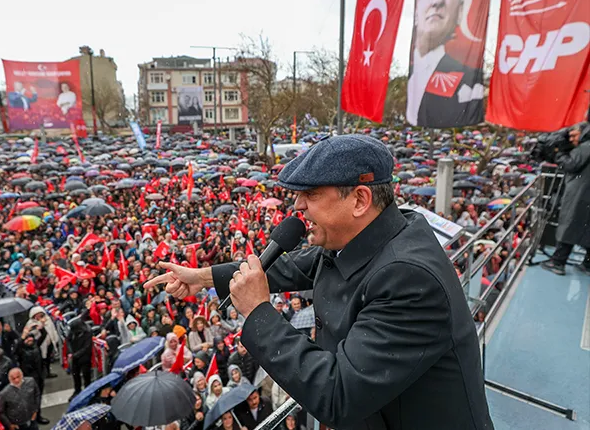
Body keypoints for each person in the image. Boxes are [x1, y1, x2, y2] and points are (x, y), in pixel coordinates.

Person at [146, 135, 493, 429]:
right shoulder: (369, 236)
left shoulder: (408, 277)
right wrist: (202, 277)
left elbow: (339, 395)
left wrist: (258, 312)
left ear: (360, 200)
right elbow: (291, 268)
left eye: (311, 195)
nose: (298, 206)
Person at [406, 0, 483, 128]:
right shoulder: (411, 78)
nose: (439, 0)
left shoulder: (471, 84)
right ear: (416, 8)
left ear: (460, 11)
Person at [542, 123, 590, 276]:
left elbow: (570, 164)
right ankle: (588, 264)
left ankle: (558, 262)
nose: (571, 139)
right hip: (585, 192)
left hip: (579, 194)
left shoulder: (585, 147)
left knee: (569, 224)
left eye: (574, 135)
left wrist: (559, 154)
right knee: (585, 227)